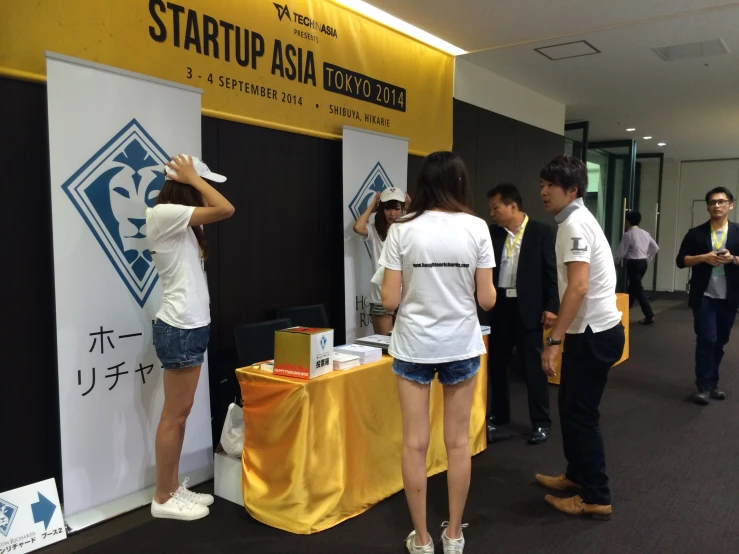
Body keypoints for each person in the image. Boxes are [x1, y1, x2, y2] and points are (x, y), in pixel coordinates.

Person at [380, 152, 496, 554]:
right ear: (461, 182)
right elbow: (487, 298)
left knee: (414, 443)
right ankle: (454, 536)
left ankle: (423, 539)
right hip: (460, 343)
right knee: (458, 443)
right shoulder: (478, 228)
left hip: (413, 343)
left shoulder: (401, 230)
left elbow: (389, 300)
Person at [147, 154, 235, 520]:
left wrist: (193, 180)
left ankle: (170, 488)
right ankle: (163, 497)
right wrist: (193, 179)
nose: (206, 192)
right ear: (187, 184)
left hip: (191, 326)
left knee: (179, 415)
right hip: (180, 327)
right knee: (174, 415)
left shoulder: (181, 223)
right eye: (201, 184)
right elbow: (226, 208)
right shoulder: (164, 214)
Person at [536, 155, 625, 521]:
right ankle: (576, 476)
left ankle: (595, 496)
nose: (542, 191)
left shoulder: (573, 224)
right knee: (570, 407)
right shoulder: (577, 219)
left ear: (572, 190)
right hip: (592, 329)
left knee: (581, 414)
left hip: (593, 335)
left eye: (550, 186)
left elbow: (580, 285)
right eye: (541, 184)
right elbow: (579, 287)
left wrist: (554, 341)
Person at [485, 183, 559, 446]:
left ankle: (541, 422)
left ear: (512, 206)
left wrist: (552, 306)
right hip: (500, 306)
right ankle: (498, 417)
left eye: (496, 208)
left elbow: (552, 273)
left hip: (529, 309)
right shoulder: (492, 233)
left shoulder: (541, 232)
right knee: (497, 367)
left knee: (532, 368)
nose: (492, 213)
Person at [676, 187, 739, 405]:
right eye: (712, 202)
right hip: (704, 296)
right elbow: (681, 260)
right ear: (708, 207)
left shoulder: (738, 232)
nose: (717, 206)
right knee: (706, 339)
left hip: (729, 297)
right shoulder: (696, 233)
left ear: (731, 204)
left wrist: (733, 259)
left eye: (722, 202)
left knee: (720, 341)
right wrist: (703, 257)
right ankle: (703, 386)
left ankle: (713, 383)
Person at [353, 187, 409, 335]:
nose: (392, 214)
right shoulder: (375, 230)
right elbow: (358, 228)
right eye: (387, 209)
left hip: (407, 297)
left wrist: (412, 206)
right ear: (381, 209)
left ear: (403, 209)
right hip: (380, 297)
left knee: (406, 344)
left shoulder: (408, 229)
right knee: (384, 346)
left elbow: (426, 226)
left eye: (397, 209)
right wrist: (372, 207)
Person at [615, 211, 659, 324]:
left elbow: (621, 252)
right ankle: (624, 312)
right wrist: (648, 257)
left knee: (638, 289)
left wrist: (616, 261)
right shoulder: (645, 233)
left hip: (633, 264)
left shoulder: (628, 234)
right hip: (643, 263)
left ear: (628, 221)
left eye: (625, 221)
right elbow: (655, 248)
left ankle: (649, 315)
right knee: (633, 289)